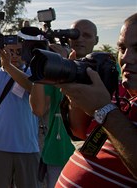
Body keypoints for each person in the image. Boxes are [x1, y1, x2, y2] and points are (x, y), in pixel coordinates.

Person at [55, 13, 137, 187]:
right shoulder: (122, 97)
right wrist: (75, 93)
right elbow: (81, 133)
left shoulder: (110, 104)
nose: (126, 58)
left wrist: (104, 109)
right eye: (122, 48)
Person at [29, 19, 99, 188]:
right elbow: (38, 109)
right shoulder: (58, 68)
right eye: (75, 34)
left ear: (96, 41)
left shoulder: (105, 66)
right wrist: (42, 67)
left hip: (93, 157)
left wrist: (67, 63)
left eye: (87, 35)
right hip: (57, 155)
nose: (80, 39)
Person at [0, 39, 40, 188]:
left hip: (27, 147)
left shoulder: (33, 73)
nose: (14, 56)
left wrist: (9, 67)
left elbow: (31, 87)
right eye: (10, 52)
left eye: (19, 52)